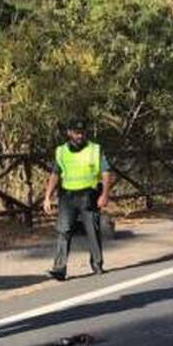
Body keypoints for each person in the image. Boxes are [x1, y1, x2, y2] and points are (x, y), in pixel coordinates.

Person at [42, 120, 112, 281]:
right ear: (69, 133)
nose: (80, 135)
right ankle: (59, 269)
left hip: (89, 195)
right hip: (67, 196)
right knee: (63, 230)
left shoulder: (95, 149)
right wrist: (47, 197)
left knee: (92, 230)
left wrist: (105, 195)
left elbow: (106, 173)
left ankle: (97, 264)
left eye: (82, 132)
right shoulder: (61, 151)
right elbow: (55, 174)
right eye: (76, 132)